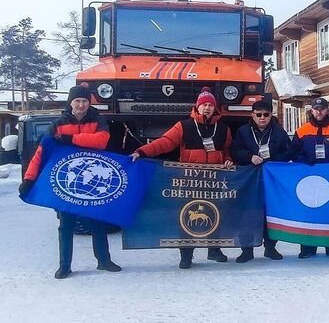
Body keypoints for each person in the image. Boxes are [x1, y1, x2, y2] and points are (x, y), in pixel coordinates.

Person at [20, 85, 121, 279]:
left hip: (92, 182)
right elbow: (41, 153)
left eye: (84, 101)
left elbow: (101, 141)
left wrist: (71, 139)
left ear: (89, 103)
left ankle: (103, 261)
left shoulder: (99, 121)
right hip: (67, 182)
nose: (81, 105)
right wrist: (29, 178)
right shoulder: (57, 124)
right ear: (71, 102)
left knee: (97, 224)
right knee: (66, 225)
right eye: (77, 101)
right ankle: (64, 265)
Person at [131, 87, 233, 269]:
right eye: (204, 105)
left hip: (215, 178)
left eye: (210, 105)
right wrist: (142, 151)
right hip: (189, 179)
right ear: (197, 107)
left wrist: (228, 161)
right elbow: (165, 142)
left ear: (215, 108)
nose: (207, 108)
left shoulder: (223, 129)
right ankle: (186, 254)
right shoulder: (184, 126)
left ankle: (214, 250)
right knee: (187, 215)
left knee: (215, 214)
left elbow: (227, 151)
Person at [231, 100, 290, 263]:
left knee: (270, 214)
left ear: (271, 115)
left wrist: (273, 161)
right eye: (258, 114)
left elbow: (289, 152)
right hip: (249, 180)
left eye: (266, 114)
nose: (262, 118)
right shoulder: (243, 131)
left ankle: (270, 248)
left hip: (271, 181)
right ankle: (247, 250)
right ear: (253, 115)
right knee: (248, 214)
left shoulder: (279, 133)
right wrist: (249, 157)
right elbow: (235, 150)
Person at [290, 97, 329, 258]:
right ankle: (308, 248)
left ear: (327, 110)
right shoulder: (302, 131)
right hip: (310, 178)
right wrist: (304, 160)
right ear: (312, 111)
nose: (319, 111)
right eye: (316, 109)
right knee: (309, 212)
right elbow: (294, 152)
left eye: (322, 109)